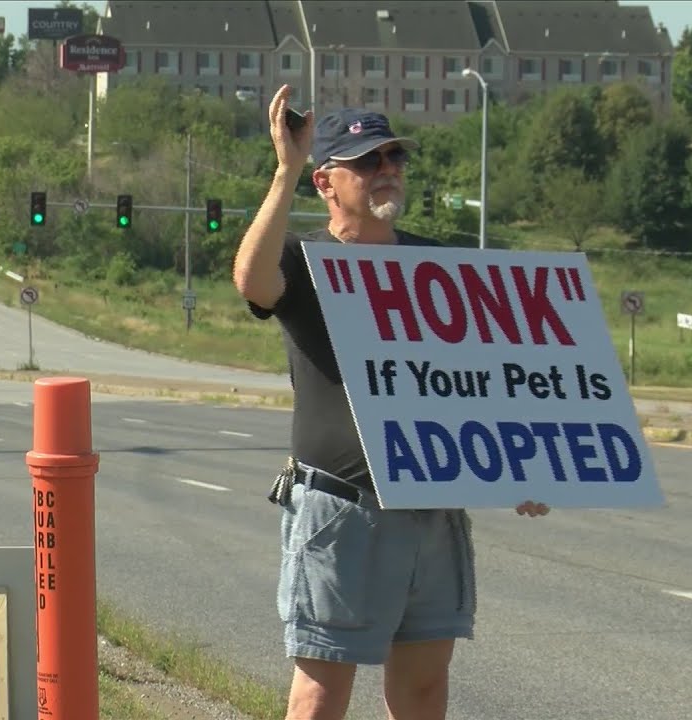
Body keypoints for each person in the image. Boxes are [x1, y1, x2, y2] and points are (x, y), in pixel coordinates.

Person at [233, 85, 550, 720]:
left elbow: (476, 379)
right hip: (342, 511)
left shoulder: (435, 264)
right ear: (327, 182)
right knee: (322, 693)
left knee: (425, 691)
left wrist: (524, 460)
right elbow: (252, 279)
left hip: (431, 511)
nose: (389, 171)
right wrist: (284, 170)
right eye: (369, 161)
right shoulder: (306, 260)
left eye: (395, 159)